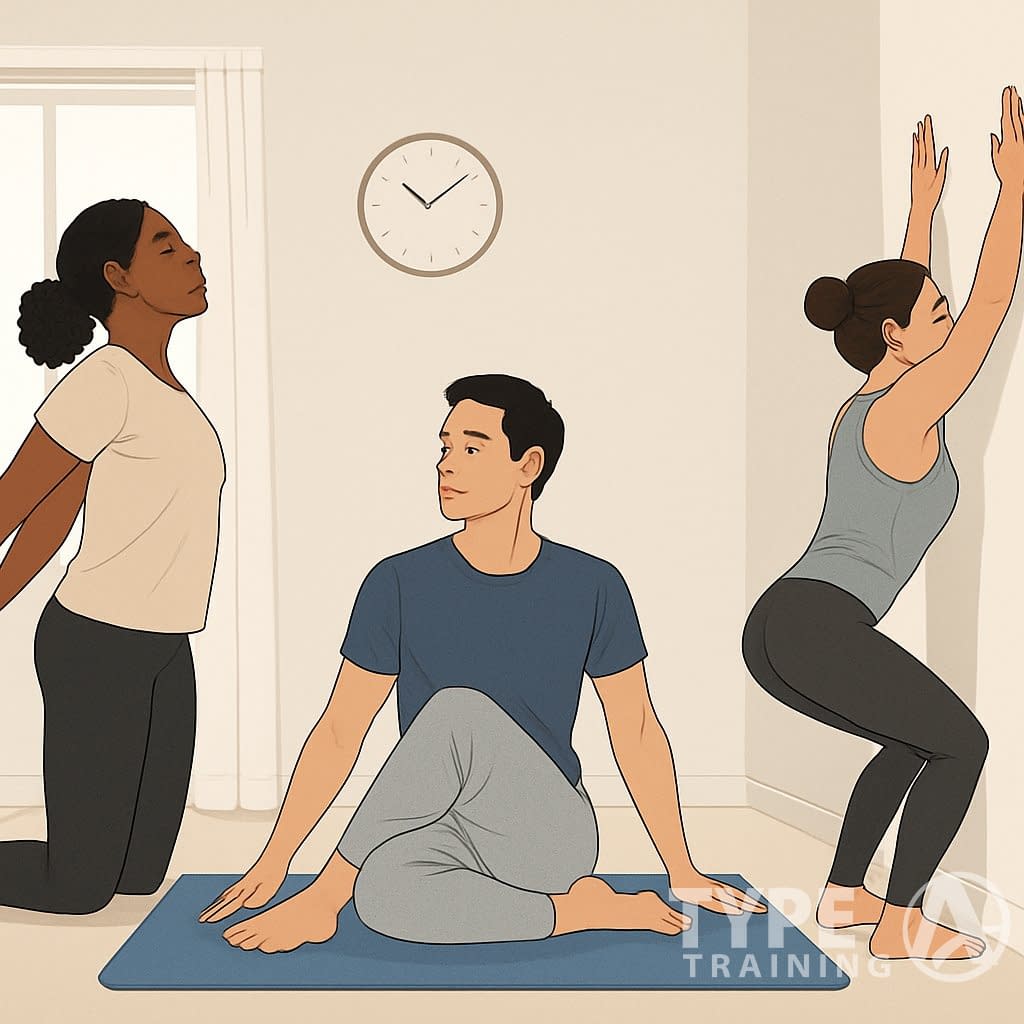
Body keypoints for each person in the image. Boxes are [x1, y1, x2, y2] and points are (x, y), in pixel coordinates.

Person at [199, 373, 767, 952]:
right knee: (383, 895)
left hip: (546, 833)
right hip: (440, 829)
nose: (447, 465)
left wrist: (681, 867)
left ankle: (326, 895)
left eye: (472, 448)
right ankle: (583, 912)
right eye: (444, 448)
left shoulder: (592, 584)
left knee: (457, 711)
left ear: (529, 466)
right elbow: (342, 728)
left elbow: (637, 729)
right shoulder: (396, 581)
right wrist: (275, 856)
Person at [742, 89, 1024, 961]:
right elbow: (983, 312)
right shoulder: (906, 409)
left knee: (914, 737)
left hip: (789, 625)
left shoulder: (873, 392)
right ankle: (902, 926)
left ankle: (843, 896)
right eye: (926, 318)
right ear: (900, 340)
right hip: (815, 621)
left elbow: (906, 304)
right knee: (962, 743)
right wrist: (1012, 188)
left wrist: (922, 212)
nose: (944, 324)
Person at [0, 198, 225, 914]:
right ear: (119, 278)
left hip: (165, 648)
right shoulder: (107, 381)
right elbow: (14, 504)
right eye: (165, 247)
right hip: (96, 645)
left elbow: (62, 510)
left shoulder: (171, 397)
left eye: (184, 241)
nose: (191, 254)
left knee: (137, 877)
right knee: (80, 889)